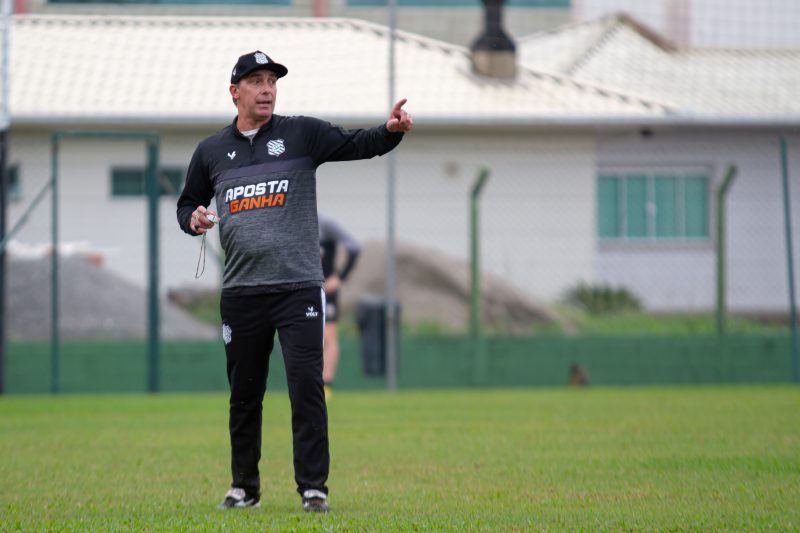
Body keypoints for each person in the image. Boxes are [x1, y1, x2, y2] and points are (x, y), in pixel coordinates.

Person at [176, 50, 413, 513]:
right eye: (256, 81)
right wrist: (196, 218)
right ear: (235, 92)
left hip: (298, 289)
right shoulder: (210, 151)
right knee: (245, 394)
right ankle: (244, 488)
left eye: (272, 81)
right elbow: (187, 204)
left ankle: (313, 489)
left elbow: (358, 143)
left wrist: (390, 132)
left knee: (306, 387)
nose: (266, 88)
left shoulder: (301, 134)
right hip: (242, 292)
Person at [317, 213, 361, 399]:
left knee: (329, 336)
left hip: (327, 291)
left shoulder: (325, 224)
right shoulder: (291, 219)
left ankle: (326, 385)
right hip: (303, 290)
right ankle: (310, 382)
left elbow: (354, 247)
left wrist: (339, 278)